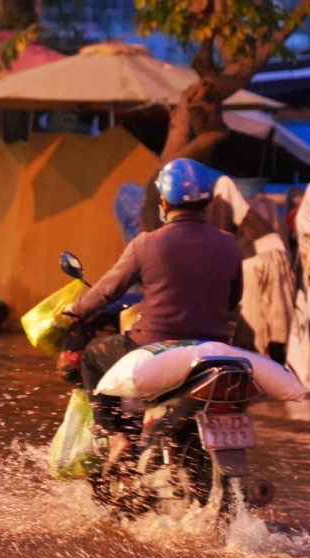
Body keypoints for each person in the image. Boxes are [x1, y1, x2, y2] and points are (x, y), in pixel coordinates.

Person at [67, 157, 243, 467]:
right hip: (213, 347)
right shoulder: (229, 245)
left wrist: (78, 308)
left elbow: (109, 289)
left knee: (93, 355)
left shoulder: (146, 244)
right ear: (209, 201)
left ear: (163, 200)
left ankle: (115, 436)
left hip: (153, 344)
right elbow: (233, 299)